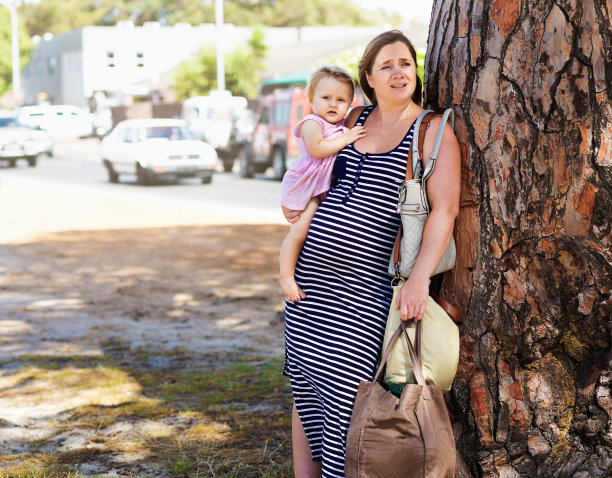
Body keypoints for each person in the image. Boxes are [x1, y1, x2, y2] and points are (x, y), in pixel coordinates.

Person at [281, 30, 461, 478]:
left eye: (406, 63)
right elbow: (313, 169)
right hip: (308, 289)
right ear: (368, 77)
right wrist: (296, 206)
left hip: (363, 294)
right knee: (306, 395)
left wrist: (419, 279)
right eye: (387, 65)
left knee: (349, 405)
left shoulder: (430, 130)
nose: (400, 72)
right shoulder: (352, 117)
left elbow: (446, 210)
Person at [279, 66, 367, 302]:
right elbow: (318, 150)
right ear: (311, 99)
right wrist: (347, 137)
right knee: (300, 230)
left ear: (350, 103)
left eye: (341, 100)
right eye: (326, 98)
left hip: (322, 186)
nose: (333, 104)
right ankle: (286, 275)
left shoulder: (341, 126)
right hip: (307, 185)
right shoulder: (312, 123)